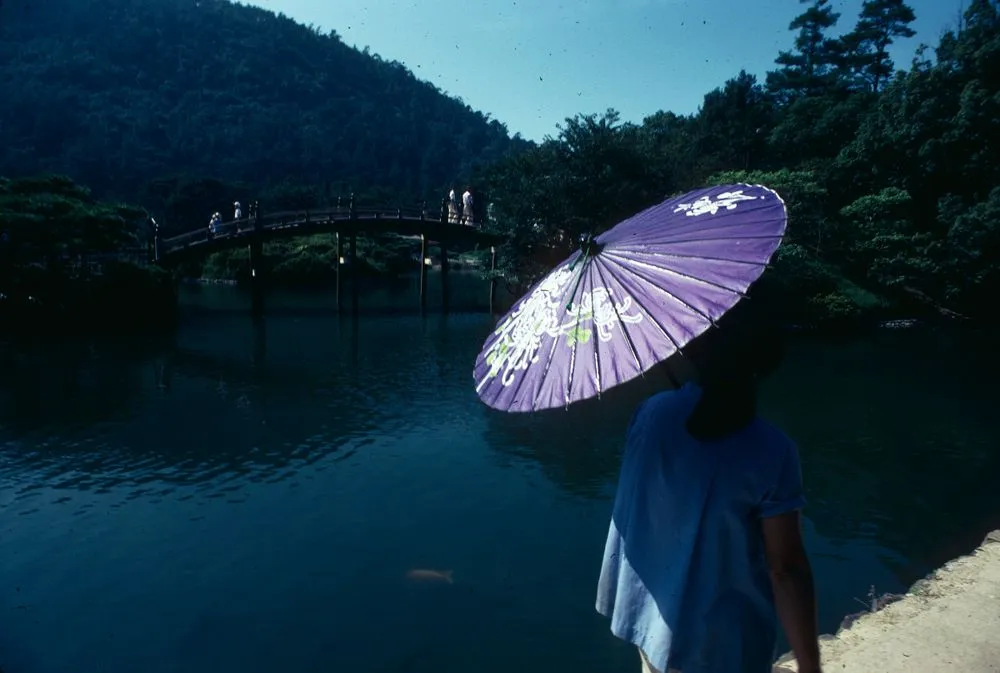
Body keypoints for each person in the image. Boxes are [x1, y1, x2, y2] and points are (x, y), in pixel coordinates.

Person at [596, 304, 821, 673]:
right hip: (722, 645)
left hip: (655, 623)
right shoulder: (772, 450)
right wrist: (810, 667)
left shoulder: (651, 414)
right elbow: (786, 568)